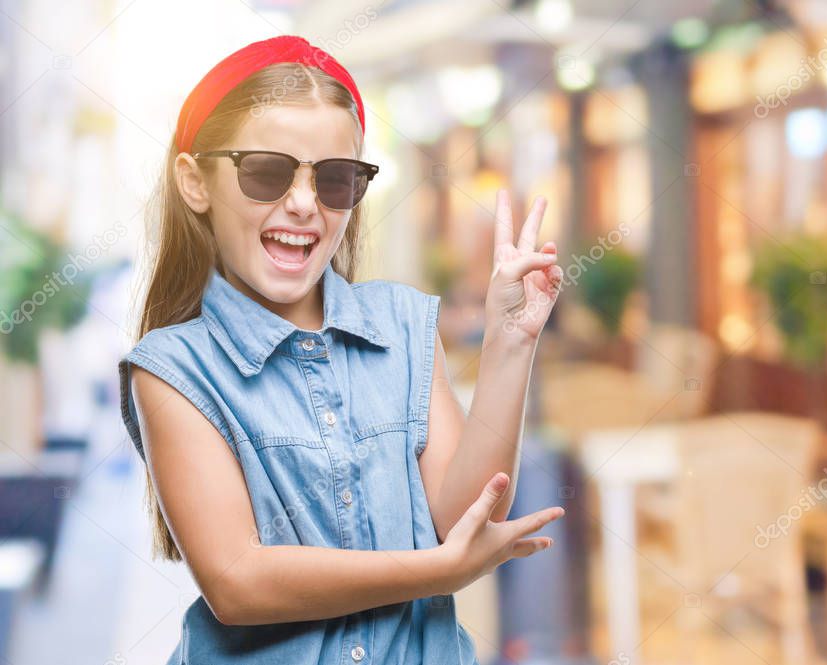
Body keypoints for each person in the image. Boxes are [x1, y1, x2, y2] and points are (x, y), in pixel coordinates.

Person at [117, 34, 565, 665]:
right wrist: (439, 572)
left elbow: (462, 517)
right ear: (195, 182)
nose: (303, 204)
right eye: (267, 171)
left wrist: (511, 343)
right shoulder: (171, 369)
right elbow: (237, 584)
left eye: (333, 179)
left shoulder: (405, 321)